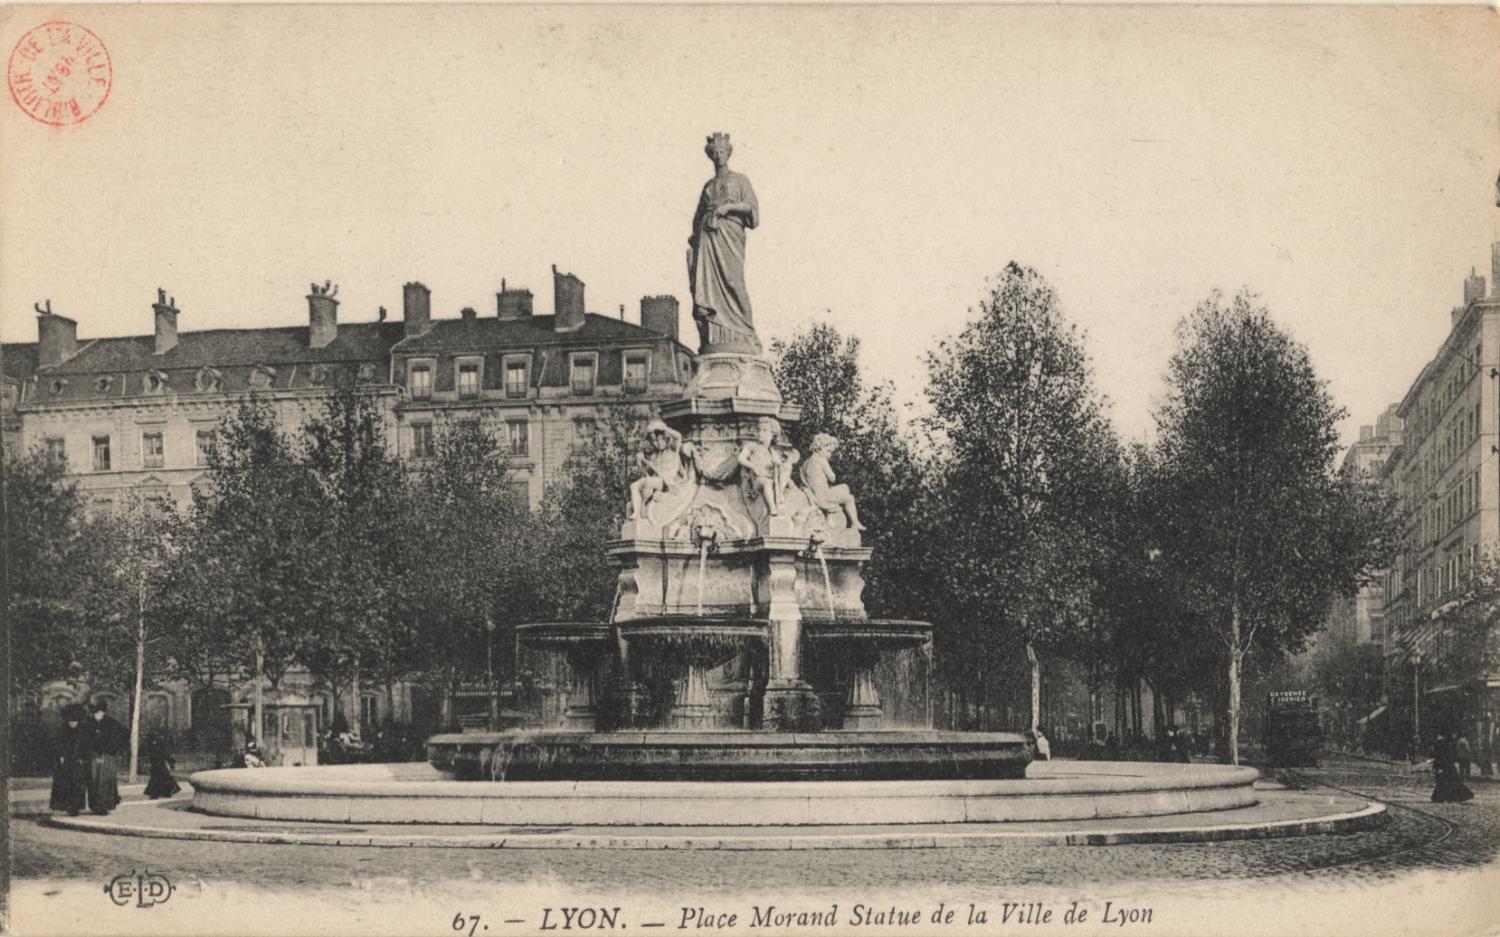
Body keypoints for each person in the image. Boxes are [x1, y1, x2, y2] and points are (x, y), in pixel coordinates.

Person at [688, 132, 761, 354]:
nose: (719, 156)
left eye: (722, 152)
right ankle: (714, 334)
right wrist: (696, 236)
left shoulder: (740, 180)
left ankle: (747, 332)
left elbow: (752, 209)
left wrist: (728, 208)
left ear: (728, 153)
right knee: (709, 287)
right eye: (715, 153)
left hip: (730, 233)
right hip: (709, 236)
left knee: (734, 281)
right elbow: (697, 216)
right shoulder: (708, 186)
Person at [628, 420, 697, 522]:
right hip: (659, 482)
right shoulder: (657, 456)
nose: (657, 443)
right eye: (653, 440)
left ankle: (637, 513)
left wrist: (663, 428)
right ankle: (637, 513)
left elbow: (678, 436)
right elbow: (648, 472)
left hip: (668, 483)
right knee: (634, 486)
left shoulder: (673, 450)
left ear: (665, 437)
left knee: (641, 483)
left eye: (659, 439)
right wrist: (641, 461)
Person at [798, 433, 865, 531]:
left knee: (844, 487)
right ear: (819, 448)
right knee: (849, 498)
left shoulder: (805, 463)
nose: (830, 455)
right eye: (828, 451)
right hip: (823, 496)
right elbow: (832, 478)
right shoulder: (821, 460)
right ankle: (855, 522)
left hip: (815, 495)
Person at [737, 418, 797, 517]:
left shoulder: (772, 451)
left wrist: (778, 464)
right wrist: (753, 466)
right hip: (756, 480)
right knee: (767, 483)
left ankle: (780, 494)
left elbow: (779, 465)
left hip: (770, 477)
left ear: (772, 434)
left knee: (786, 470)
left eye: (764, 430)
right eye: (759, 430)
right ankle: (772, 508)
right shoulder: (752, 446)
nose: (760, 433)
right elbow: (740, 458)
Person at [84, 700, 126, 815]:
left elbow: (122, 736)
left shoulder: (111, 724)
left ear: (103, 712)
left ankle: (105, 805)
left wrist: (111, 750)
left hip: (107, 757)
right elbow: (84, 740)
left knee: (106, 781)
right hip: (92, 756)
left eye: (99, 713)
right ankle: (95, 806)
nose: (97, 715)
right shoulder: (88, 723)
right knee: (93, 781)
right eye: (95, 713)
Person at [49, 704, 90, 816]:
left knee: (77, 785)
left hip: (78, 762)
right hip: (65, 762)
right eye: (70, 721)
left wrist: (83, 758)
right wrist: (61, 756)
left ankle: (75, 806)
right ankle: (66, 805)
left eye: (75, 721)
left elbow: (86, 746)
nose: (72, 723)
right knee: (65, 784)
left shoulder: (83, 731)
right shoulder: (62, 730)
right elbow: (57, 744)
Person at [1431, 731, 1474, 804]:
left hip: (1443, 765)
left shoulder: (1439, 743)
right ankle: (1454, 796)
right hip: (1449, 765)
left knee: (1443, 781)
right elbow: (1450, 754)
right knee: (1453, 781)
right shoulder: (1447, 743)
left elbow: (1438, 756)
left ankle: (1441, 797)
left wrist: (1438, 766)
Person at [143, 734, 181, 799]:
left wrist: (170, 760)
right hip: (158, 765)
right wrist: (170, 760)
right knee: (161, 779)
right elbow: (163, 754)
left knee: (159, 779)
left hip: (159, 765)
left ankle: (157, 794)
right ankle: (165, 793)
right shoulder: (155, 744)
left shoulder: (153, 744)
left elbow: (162, 754)